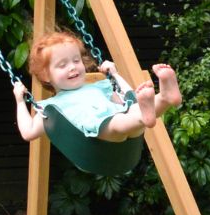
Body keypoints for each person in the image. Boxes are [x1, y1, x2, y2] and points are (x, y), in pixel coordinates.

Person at [13, 31, 182, 144]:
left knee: (135, 107)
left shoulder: (96, 87)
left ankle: (166, 97)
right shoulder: (51, 108)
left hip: (129, 123)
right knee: (118, 122)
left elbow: (128, 96)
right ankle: (147, 113)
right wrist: (20, 101)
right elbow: (28, 132)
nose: (72, 67)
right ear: (45, 75)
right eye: (62, 65)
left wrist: (115, 75)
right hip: (101, 136)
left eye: (76, 61)